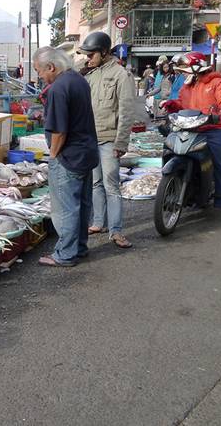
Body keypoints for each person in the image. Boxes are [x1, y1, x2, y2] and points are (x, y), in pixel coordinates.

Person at [32, 46, 99, 267]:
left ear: (51, 67)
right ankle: (79, 247)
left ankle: (65, 254)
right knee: (82, 204)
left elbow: (59, 131)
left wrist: (53, 156)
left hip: (68, 156)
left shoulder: (58, 88)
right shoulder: (78, 80)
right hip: (86, 152)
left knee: (65, 208)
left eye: (39, 71)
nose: (40, 77)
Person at [160, 52, 221, 225]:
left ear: (196, 69)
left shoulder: (216, 82)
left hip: (212, 129)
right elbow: (182, 103)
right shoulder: (188, 85)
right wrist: (172, 105)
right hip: (189, 128)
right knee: (169, 150)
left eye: (185, 70)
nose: (183, 74)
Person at [78, 33, 135, 248]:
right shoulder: (89, 74)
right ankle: (99, 223)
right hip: (91, 139)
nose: (88, 58)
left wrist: (121, 143)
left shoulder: (121, 75)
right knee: (95, 183)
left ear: (103, 52)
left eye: (91, 54)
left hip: (110, 139)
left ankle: (116, 231)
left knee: (112, 187)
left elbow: (126, 111)